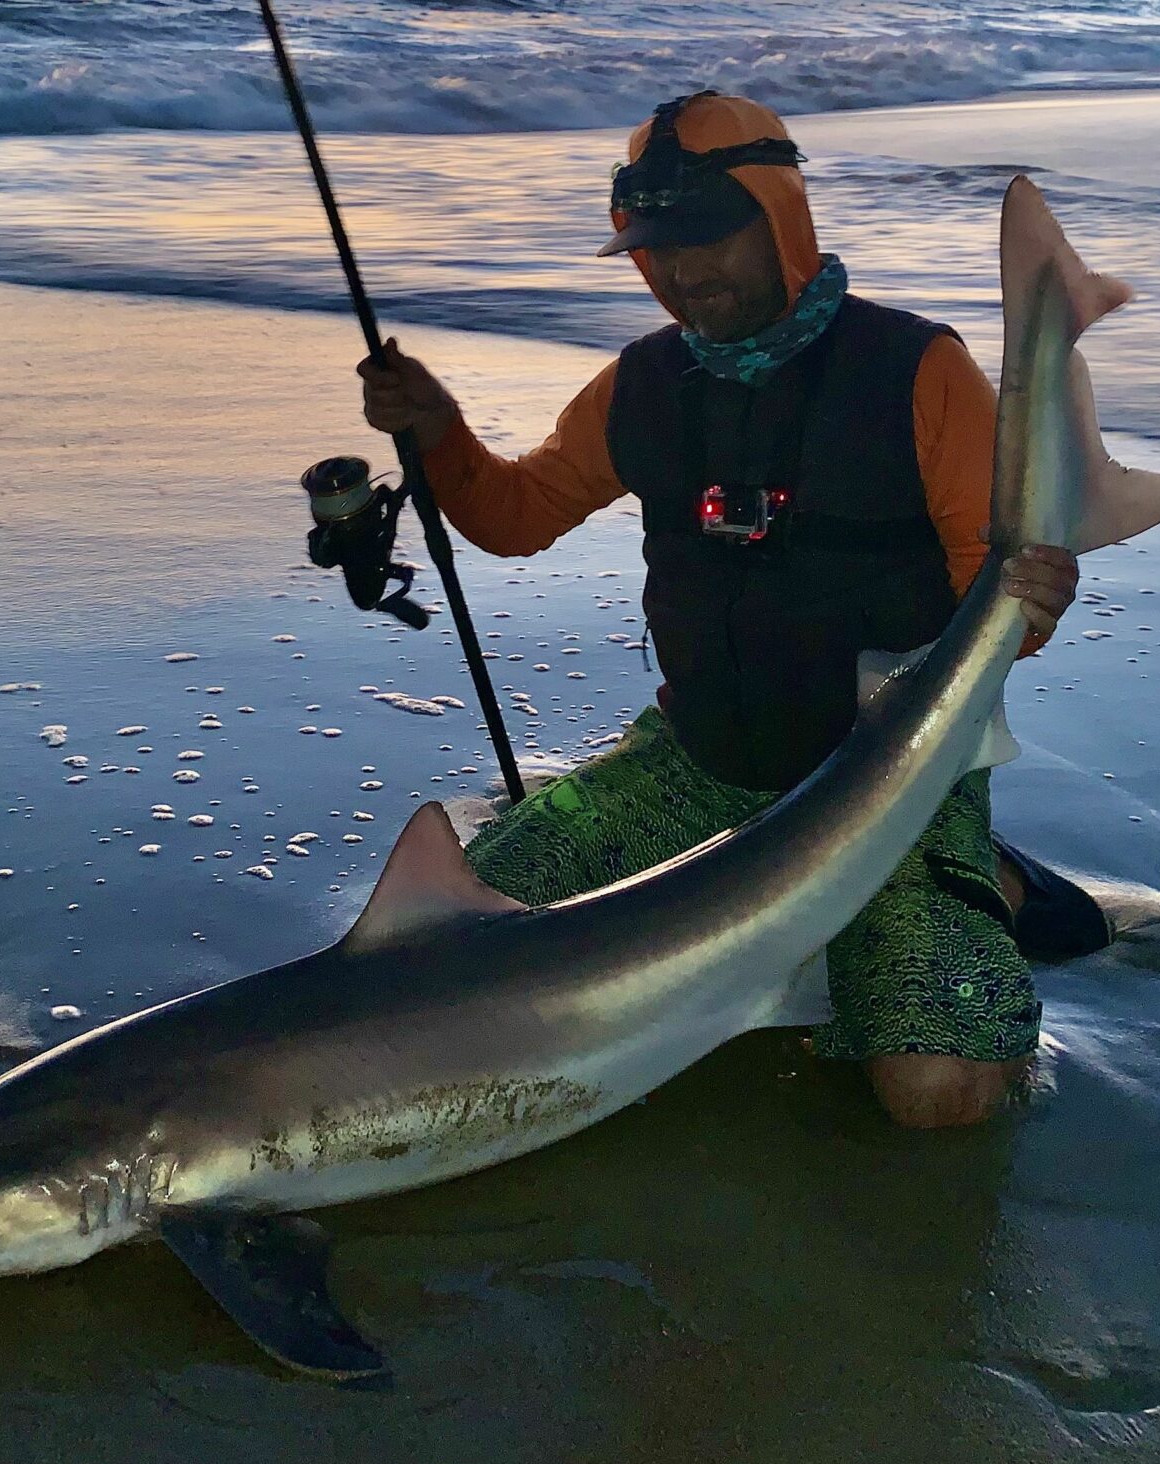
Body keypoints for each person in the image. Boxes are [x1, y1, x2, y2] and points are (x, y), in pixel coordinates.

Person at [356, 91, 1110, 1128]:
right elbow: (516, 517)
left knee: (939, 1094)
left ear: (781, 217)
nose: (680, 271)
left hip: (887, 783)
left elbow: (1003, 597)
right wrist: (441, 432)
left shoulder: (916, 372)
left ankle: (988, 878)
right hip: (697, 764)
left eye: (710, 235)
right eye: (653, 246)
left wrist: (1036, 601)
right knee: (445, 964)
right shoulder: (642, 385)